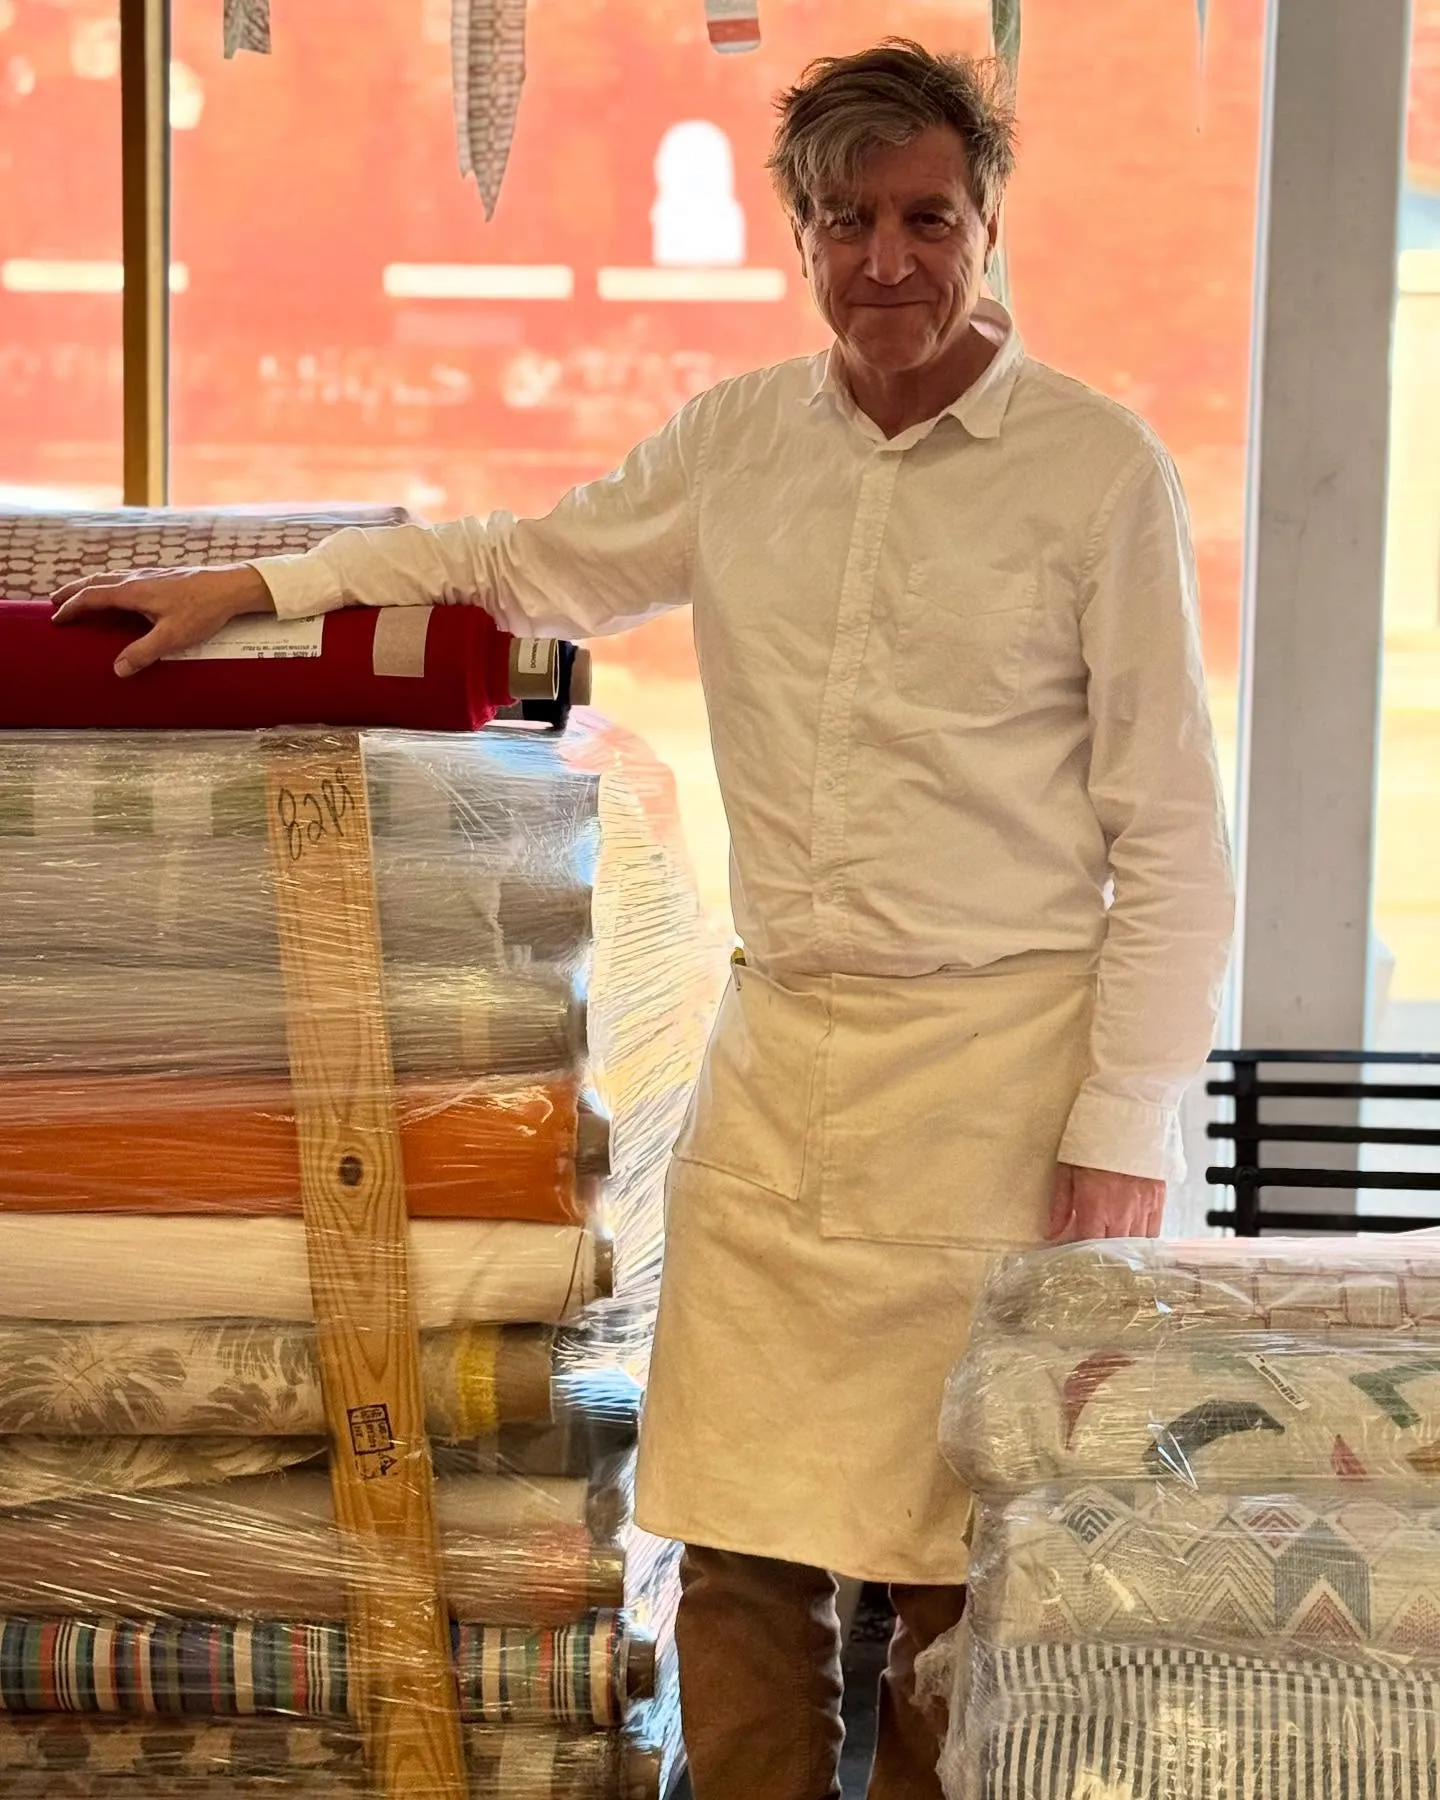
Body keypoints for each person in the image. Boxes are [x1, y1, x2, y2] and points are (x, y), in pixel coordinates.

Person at [52, 41, 1235, 1800]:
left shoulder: (1096, 473)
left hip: (1004, 1077)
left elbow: (1179, 843)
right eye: (849, 221)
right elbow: (516, 562)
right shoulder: (738, 442)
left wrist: (1120, 1136)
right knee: (738, 1546)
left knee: (952, 1581)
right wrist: (263, 585)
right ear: (801, 233)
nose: (889, 261)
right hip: (786, 1067)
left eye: (929, 217)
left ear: (990, 220)